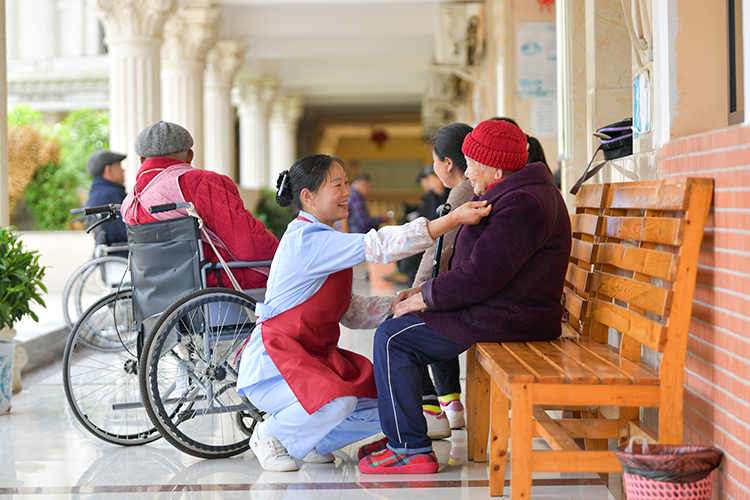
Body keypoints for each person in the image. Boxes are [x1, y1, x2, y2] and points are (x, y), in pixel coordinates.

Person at [235, 154, 491, 472]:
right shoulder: (306, 240)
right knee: (338, 402)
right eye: (337, 185)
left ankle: (315, 440)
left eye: (346, 183)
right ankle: (269, 434)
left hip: (311, 357)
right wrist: (450, 221)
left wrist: (404, 301)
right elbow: (382, 245)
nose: (347, 192)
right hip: (277, 361)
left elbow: (353, 312)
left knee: (382, 406)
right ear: (307, 196)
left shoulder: (326, 238)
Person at [358, 119, 572, 474]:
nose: (467, 171)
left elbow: (480, 276)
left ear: (496, 167)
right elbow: (478, 268)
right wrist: (421, 292)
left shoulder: (522, 203)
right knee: (395, 327)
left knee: (393, 337)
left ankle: (409, 448)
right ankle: (403, 434)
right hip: (498, 305)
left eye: (472, 163)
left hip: (510, 314)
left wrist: (425, 297)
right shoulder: (515, 192)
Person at [120, 121, 278, 289]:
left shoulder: (131, 202)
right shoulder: (202, 183)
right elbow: (249, 245)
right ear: (190, 156)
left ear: (142, 160)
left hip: (158, 289)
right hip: (217, 282)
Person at [410, 123, 474, 439]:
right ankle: (448, 403)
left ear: (447, 163)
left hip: (468, 291)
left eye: (436, 161)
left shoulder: (463, 191)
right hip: (472, 284)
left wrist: (417, 288)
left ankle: (434, 409)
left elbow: (441, 248)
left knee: (407, 324)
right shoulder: (471, 188)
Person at [86, 149, 128, 251]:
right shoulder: (111, 195)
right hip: (124, 255)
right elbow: (128, 233)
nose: (123, 170)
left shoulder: (96, 194)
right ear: (109, 170)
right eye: (119, 166)